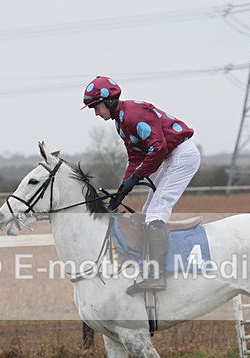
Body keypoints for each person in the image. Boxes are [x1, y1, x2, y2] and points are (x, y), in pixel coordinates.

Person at [82, 75, 200, 293]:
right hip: (172, 156)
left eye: (95, 107)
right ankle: (150, 269)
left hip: (182, 155)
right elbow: (135, 158)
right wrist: (123, 189)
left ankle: (157, 276)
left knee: (156, 213)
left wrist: (136, 178)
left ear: (108, 101)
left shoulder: (134, 115)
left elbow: (158, 149)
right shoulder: (121, 123)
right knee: (147, 213)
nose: (96, 113)